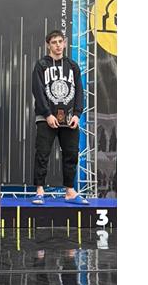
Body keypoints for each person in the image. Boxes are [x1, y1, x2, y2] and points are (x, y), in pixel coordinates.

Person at [31, 30, 87, 204]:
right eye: (54, 42)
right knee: (42, 154)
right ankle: (40, 190)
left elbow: (79, 91)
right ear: (48, 45)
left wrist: (77, 114)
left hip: (70, 119)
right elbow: (38, 91)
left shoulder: (73, 66)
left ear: (64, 43)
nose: (57, 45)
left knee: (71, 154)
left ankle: (69, 191)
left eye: (60, 41)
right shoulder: (41, 65)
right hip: (46, 118)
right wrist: (47, 114)